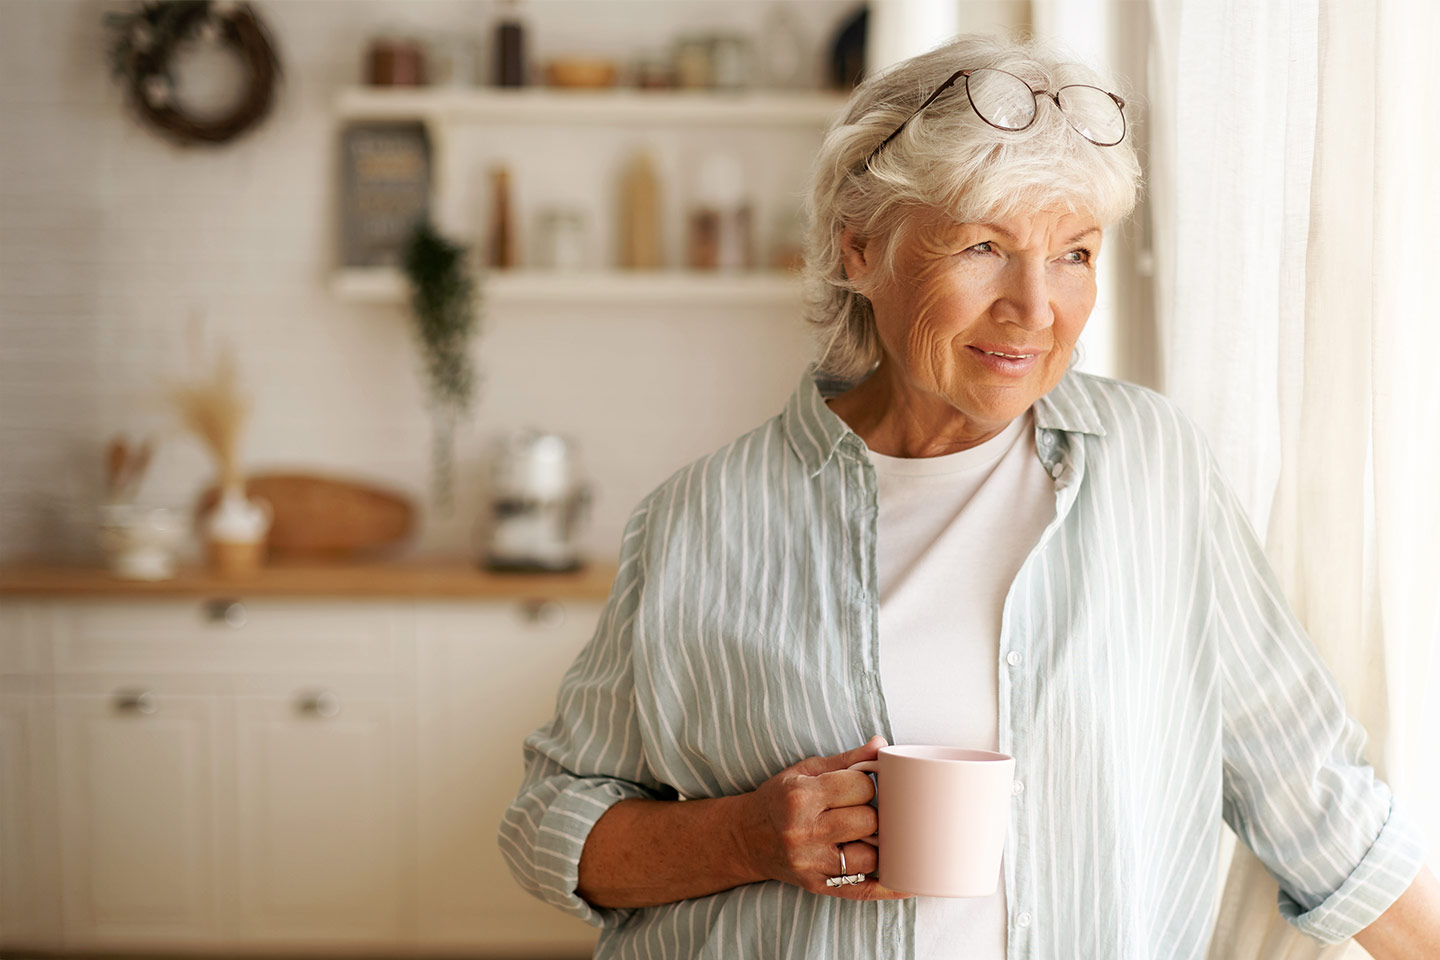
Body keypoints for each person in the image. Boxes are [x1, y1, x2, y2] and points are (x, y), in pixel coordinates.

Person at [497, 33, 1432, 959]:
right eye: (984, 246)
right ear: (858, 250)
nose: (1035, 308)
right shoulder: (700, 516)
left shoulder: (1153, 465)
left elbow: (1311, 794)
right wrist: (744, 836)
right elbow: (553, 821)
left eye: (1073, 253)